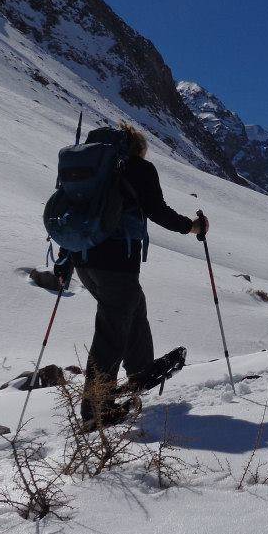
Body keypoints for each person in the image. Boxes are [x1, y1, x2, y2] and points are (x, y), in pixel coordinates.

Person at [54, 122, 208, 424]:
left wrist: (65, 258)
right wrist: (192, 226)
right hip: (117, 260)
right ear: (137, 147)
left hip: (84, 258)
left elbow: (72, 213)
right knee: (111, 329)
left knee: (131, 307)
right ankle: (97, 409)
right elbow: (157, 210)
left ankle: (140, 372)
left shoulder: (88, 168)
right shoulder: (137, 168)